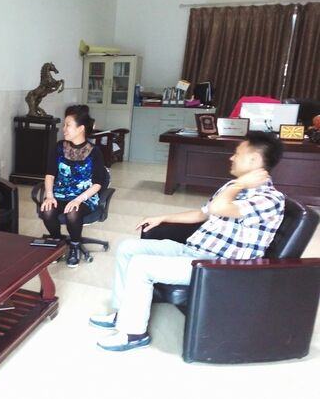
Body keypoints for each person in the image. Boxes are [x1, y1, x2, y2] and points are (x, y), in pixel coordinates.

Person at [89, 131, 285, 351]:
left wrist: (238, 185)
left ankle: (133, 334)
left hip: (217, 267)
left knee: (141, 265)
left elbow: (218, 207)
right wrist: (162, 218)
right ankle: (122, 313)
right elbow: (202, 213)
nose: (232, 158)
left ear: (254, 160)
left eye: (237, 154)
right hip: (192, 251)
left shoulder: (269, 199)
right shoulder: (231, 188)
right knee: (128, 247)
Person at [40, 105, 107, 268]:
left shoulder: (94, 152)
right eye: (64, 125)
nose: (64, 129)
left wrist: (78, 199)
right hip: (60, 194)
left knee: (73, 212)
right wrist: (49, 195)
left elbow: (98, 183)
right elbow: (50, 174)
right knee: (47, 210)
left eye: (68, 125)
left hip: (85, 197)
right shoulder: (59, 147)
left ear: (80, 128)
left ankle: (75, 246)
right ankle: (57, 243)